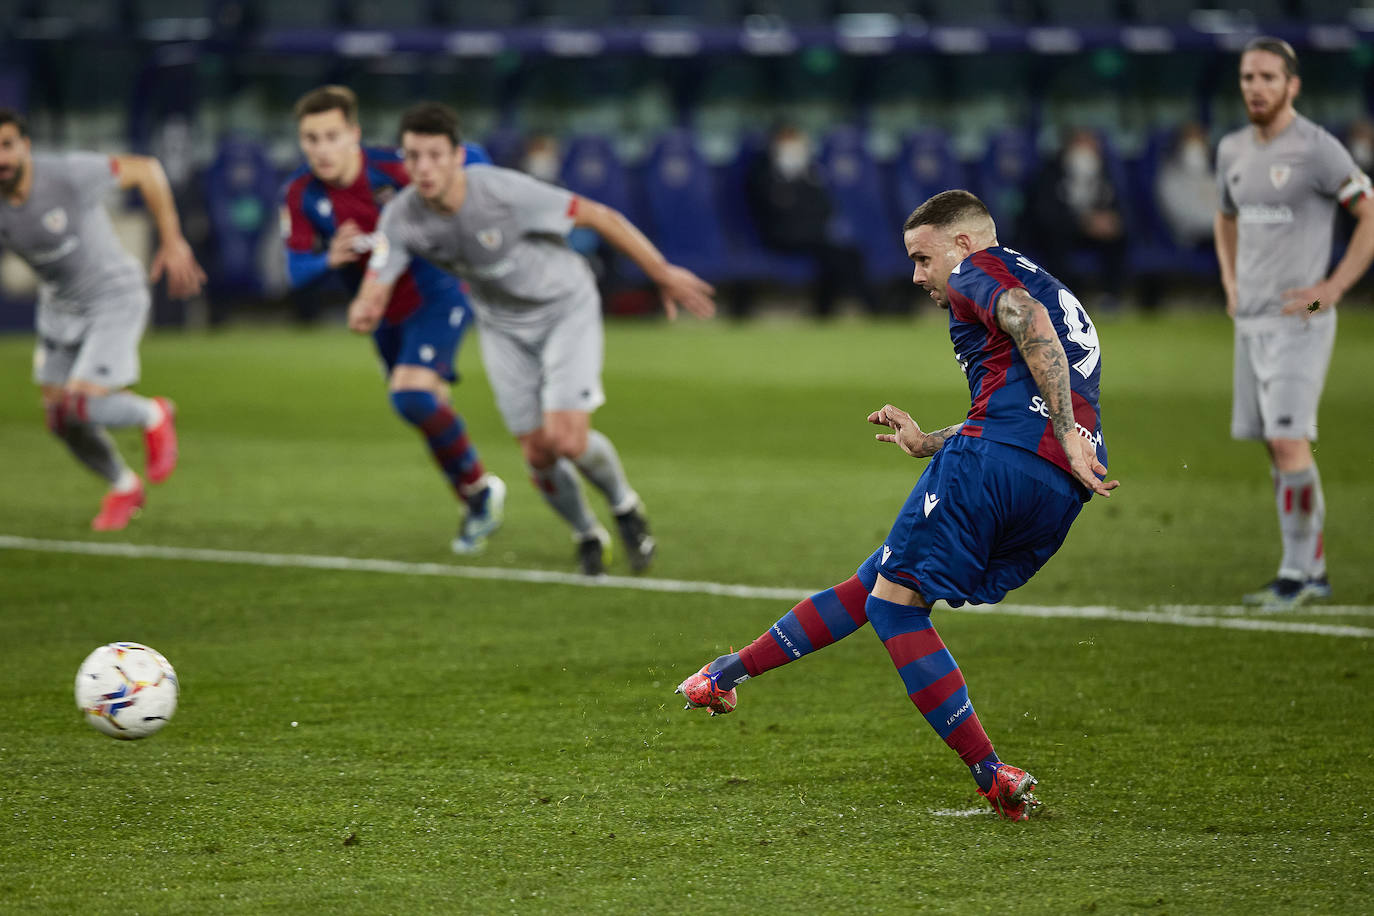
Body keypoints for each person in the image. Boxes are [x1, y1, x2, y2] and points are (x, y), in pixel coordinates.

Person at [675, 189, 1117, 821]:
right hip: (1056, 485)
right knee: (879, 578)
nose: (917, 276)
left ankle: (993, 775)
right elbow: (1023, 392)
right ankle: (725, 674)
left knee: (896, 609)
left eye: (921, 258)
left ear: (962, 243)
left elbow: (1025, 322)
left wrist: (1066, 428)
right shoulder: (1043, 279)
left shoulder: (979, 272)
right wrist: (930, 441)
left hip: (1007, 461)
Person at [349, 102, 716, 575]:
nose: (424, 168)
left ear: (458, 156)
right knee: (538, 452)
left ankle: (625, 506)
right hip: (502, 325)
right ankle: (588, 534)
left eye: (435, 155)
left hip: (564, 307)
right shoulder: (402, 217)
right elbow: (379, 277)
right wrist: (366, 304)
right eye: (414, 156)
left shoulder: (502, 191)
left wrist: (661, 273)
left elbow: (598, 216)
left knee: (567, 437)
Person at [281, 86, 505, 555]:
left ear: (353, 135)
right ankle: (474, 500)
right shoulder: (302, 194)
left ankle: (482, 490)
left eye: (331, 136)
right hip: (381, 312)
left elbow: (470, 156)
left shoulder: (394, 167)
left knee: (411, 394)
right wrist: (330, 259)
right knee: (427, 408)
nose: (322, 149)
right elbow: (295, 269)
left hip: (436, 291)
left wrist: (487, 193)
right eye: (311, 139)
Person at [1213, 37, 1374, 609]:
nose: (1255, 87)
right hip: (1251, 323)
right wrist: (1231, 284)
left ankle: (1297, 574)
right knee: (1276, 448)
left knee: (1287, 440)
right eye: (1248, 77)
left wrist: (1328, 291)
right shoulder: (1232, 149)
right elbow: (1225, 216)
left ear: (1292, 85)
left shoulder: (1318, 149)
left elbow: (1368, 210)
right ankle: (1313, 570)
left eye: (1267, 77)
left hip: (1300, 323)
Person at [0, 108, 204, 531]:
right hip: (59, 306)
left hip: (113, 295)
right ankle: (124, 486)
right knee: (61, 419)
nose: (1, 158)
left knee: (84, 401)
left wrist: (172, 241)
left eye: (7, 145)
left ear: (25, 147)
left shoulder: (68, 174)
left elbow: (147, 170)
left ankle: (154, 415)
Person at [747, 124, 876, 318]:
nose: (793, 148)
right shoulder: (763, 174)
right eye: (786, 141)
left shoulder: (812, 173)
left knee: (847, 254)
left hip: (812, 236)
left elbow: (824, 207)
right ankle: (872, 307)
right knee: (834, 253)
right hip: (781, 237)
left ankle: (829, 309)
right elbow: (774, 211)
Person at [1022, 128, 1129, 308]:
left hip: (1093, 232)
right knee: (1056, 241)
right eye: (1080, 144)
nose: (1085, 150)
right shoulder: (1050, 171)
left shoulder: (1104, 172)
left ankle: (1111, 296)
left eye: (1090, 144)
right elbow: (1045, 214)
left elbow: (1118, 205)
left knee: (1118, 236)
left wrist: (1109, 220)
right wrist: (1082, 222)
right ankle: (1065, 299)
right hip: (1061, 230)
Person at [1155, 121, 1219, 249]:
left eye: (1200, 142)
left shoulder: (1209, 176)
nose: (1196, 148)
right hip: (1193, 239)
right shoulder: (1170, 177)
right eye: (1191, 142)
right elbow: (1185, 219)